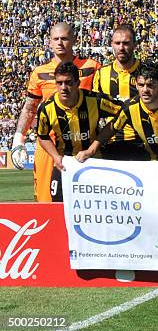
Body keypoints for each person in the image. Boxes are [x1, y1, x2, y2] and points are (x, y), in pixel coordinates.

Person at [10, 22, 101, 202]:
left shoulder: (91, 67)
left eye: (65, 38)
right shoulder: (39, 72)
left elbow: (102, 104)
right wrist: (18, 140)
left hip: (82, 145)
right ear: (50, 42)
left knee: (87, 202)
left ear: (74, 40)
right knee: (45, 201)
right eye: (56, 39)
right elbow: (29, 108)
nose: (60, 42)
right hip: (48, 144)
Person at [36, 62, 121, 202]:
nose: (63, 88)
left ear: (77, 83)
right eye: (59, 83)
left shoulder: (95, 100)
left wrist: (93, 147)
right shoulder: (46, 108)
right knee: (58, 206)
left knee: (96, 206)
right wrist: (56, 157)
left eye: (68, 82)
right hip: (64, 164)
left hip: (94, 162)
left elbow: (124, 113)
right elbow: (42, 136)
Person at [92, 25, 148, 160]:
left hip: (143, 144)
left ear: (135, 45)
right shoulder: (101, 74)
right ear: (112, 45)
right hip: (111, 143)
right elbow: (94, 110)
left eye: (126, 43)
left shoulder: (146, 71)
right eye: (117, 43)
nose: (121, 48)